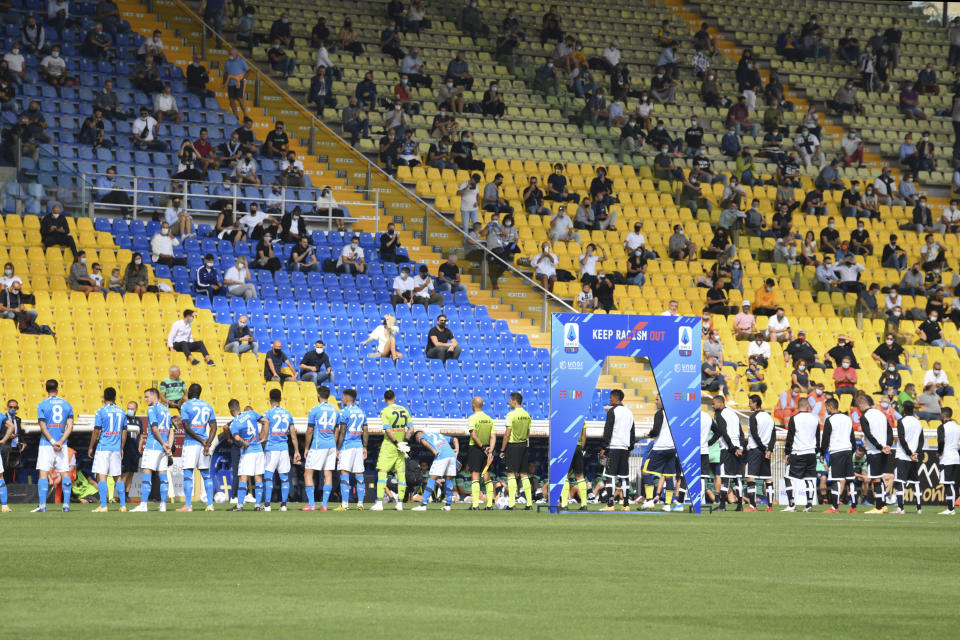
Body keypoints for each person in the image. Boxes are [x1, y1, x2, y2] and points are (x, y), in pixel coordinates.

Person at [31, 380, 74, 513]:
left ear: (46, 389)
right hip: (62, 445)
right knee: (65, 473)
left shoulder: (42, 404)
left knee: (43, 473)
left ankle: (43, 506)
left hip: (46, 444)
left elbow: (42, 426)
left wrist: (52, 440)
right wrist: (61, 441)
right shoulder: (67, 405)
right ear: (58, 389)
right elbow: (70, 426)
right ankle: (66, 505)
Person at [129, 388, 173, 512]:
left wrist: (164, 444)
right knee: (163, 477)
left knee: (146, 474)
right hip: (163, 449)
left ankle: (143, 505)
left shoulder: (152, 409)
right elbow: (171, 431)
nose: (145, 399)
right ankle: (163, 505)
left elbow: (154, 429)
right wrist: (168, 446)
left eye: (147, 396)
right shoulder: (166, 411)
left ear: (154, 396)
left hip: (153, 446)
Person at [176, 384, 217, 513]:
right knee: (206, 474)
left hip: (191, 443)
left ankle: (188, 505)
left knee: (188, 473)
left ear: (188, 393)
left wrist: (201, 441)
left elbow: (187, 427)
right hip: (203, 444)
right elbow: (214, 426)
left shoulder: (186, 406)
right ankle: (210, 505)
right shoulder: (207, 405)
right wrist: (208, 443)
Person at [299, 385, 340, 512]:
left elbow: (310, 430)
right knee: (328, 473)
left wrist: (306, 448)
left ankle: (311, 504)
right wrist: (334, 443)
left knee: (308, 473)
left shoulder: (314, 410)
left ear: (318, 395)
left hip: (318, 446)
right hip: (331, 446)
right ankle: (324, 505)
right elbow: (337, 429)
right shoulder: (335, 410)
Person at [370, 390, 412, 511]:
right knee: (400, 474)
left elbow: (388, 430)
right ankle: (400, 504)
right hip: (401, 448)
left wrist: (396, 443)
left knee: (382, 472)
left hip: (389, 446)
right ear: (395, 398)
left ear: (384, 400)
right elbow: (411, 428)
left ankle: (379, 503)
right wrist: (404, 442)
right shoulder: (404, 410)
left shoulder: (385, 411)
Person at [225, 400, 267, 511]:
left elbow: (237, 438)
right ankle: (257, 505)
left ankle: (239, 505)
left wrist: (244, 443)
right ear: (239, 407)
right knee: (258, 476)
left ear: (230, 410)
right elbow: (266, 422)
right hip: (259, 450)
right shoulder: (251, 413)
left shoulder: (235, 423)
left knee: (243, 476)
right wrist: (264, 437)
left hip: (248, 452)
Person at [781, 398, 820, 513]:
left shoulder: (795, 418)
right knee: (809, 479)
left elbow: (790, 437)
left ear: (798, 406)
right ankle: (809, 505)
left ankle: (792, 504)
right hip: (811, 453)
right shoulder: (814, 419)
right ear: (808, 406)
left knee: (788, 477)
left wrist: (787, 452)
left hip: (798, 452)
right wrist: (815, 451)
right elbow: (818, 438)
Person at [858, 395, 894, 515]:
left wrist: (879, 447)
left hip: (874, 451)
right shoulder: (881, 413)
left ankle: (879, 507)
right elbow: (890, 430)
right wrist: (888, 445)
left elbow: (868, 434)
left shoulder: (864, 417)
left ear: (861, 405)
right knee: (880, 477)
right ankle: (883, 505)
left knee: (876, 479)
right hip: (884, 451)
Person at [497, 392, 533, 510]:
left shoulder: (510, 415)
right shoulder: (527, 415)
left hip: (513, 446)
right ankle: (529, 504)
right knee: (524, 474)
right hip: (524, 445)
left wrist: (502, 449)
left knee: (511, 474)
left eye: (510, 400)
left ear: (514, 401)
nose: (509, 402)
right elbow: (528, 433)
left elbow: (507, 434)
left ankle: (512, 503)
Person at [411, 428, 459, 512]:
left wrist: (434, 451)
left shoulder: (422, 436)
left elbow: (423, 441)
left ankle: (423, 505)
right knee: (449, 480)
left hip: (441, 455)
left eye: (416, 439)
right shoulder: (438, 435)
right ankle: (448, 505)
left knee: (431, 478)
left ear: (418, 435)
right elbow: (455, 439)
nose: (418, 440)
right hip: (452, 455)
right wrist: (457, 451)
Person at [742, 395, 775, 512]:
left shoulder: (753, 417)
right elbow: (773, 435)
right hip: (766, 451)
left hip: (755, 449)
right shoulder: (769, 417)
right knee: (767, 478)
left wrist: (763, 448)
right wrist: (769, 449)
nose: (748, 405)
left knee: (751, 477)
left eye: (750, 403)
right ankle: (770, 506)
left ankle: (752, 506)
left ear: (755, 403)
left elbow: (755, 435)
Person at [892, 401, 924, 515]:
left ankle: (901, 508)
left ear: (904, 409)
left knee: (900, 481)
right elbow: (921, 441)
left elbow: (901, 438)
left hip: (903, 455)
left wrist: (909, 453)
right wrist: (916, 453)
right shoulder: (918, 422)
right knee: (915, 482)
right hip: (914, 457)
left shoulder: (901, 421)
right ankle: (919, 508)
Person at [464, 396, 496, 510]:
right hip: (487, 449)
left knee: (475, 476)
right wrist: (490, 450)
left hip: (476, 449)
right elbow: (493, 436)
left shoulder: (472, 418)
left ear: (473, 405)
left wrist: (482, 447)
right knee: (487, 476)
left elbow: (473, 435)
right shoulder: (489, 419)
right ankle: (489, 505)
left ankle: (476, 504)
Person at [937, 407, 960, 515]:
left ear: (942, 415)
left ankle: (950, 509)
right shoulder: (957, 427)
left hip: (947, 458)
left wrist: (939, 452)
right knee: (952, 484)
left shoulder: (942, 427)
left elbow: (941, 441)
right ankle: (951, 507)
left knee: (948, 484)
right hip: (956, 457)